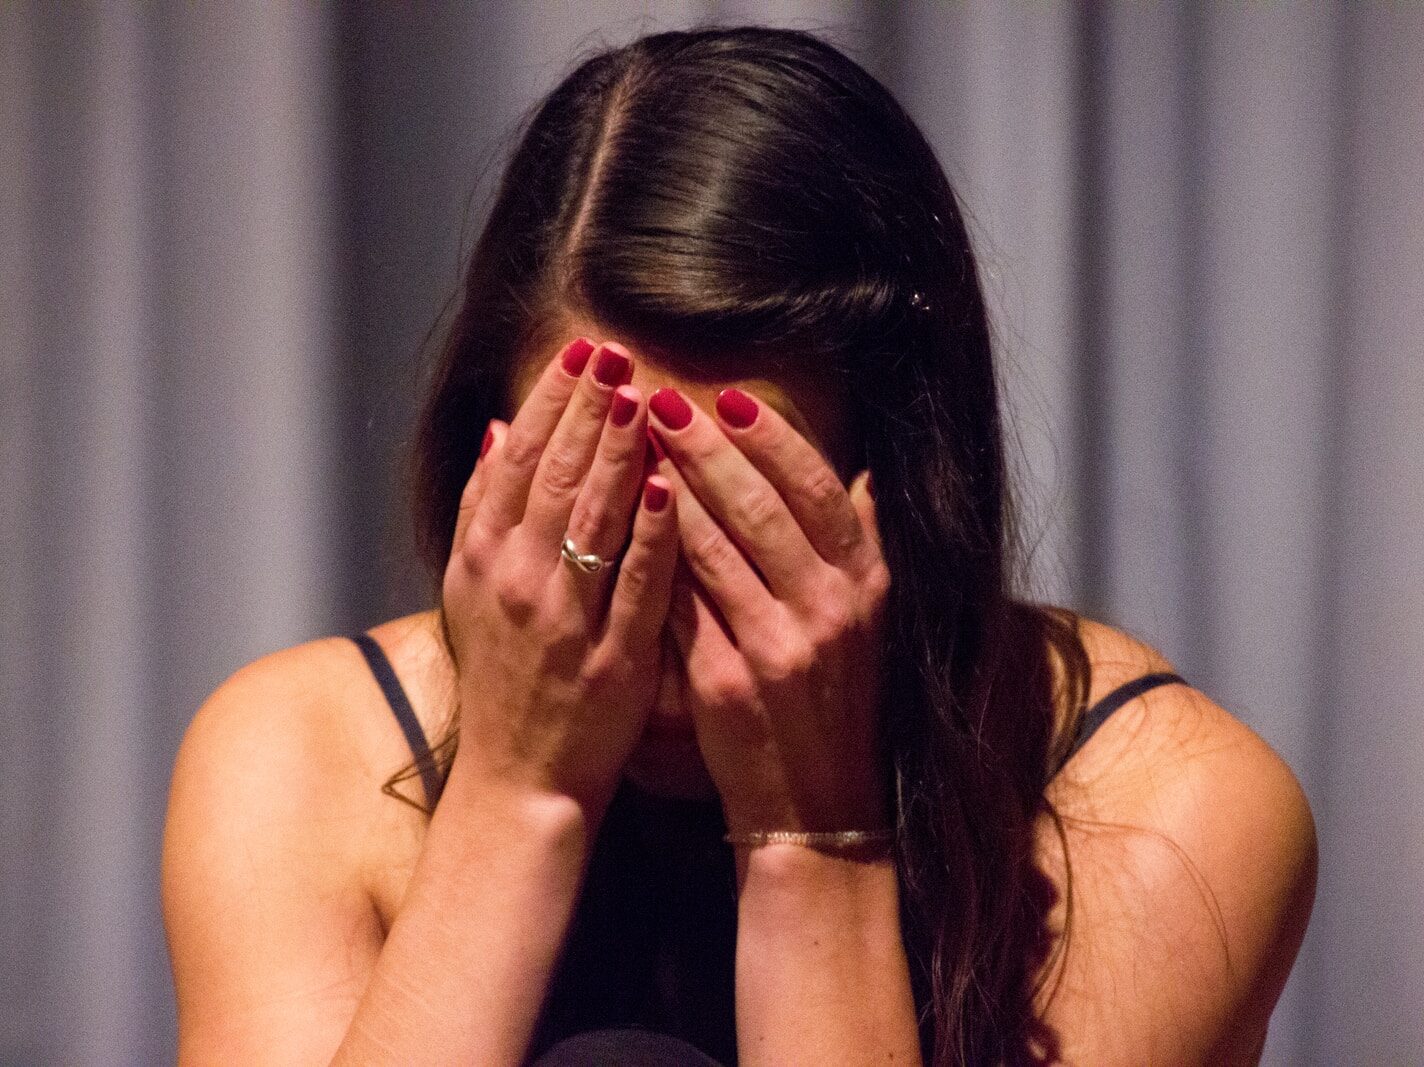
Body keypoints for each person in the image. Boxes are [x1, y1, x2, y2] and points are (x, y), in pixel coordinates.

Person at [160, 24, 1317, 1067]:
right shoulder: (298, 755)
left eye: (743, 529)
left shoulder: (1168, 807)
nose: (655, 621)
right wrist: (514, 795)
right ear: (489, 464)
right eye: (598, 513)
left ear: (905, 493)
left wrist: (811, 840)